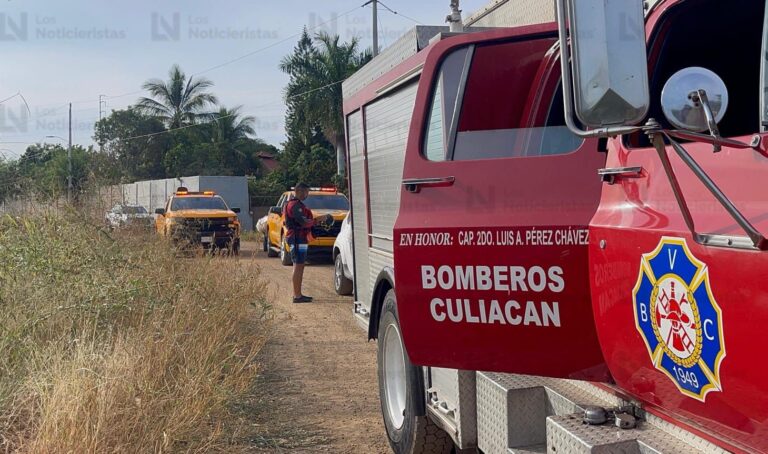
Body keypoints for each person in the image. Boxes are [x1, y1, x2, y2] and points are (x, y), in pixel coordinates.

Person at [283, 183, 333, 303]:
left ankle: (298, 294)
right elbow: (303, 222)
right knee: (297, 265)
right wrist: (319, 219)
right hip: (296, 238)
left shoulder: (297, 204)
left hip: (301, 238)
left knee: (300, 265)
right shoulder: (295, 205)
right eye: (306, 192)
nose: (307, 195)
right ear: (299, 191)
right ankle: (297, 296)